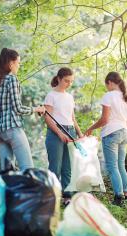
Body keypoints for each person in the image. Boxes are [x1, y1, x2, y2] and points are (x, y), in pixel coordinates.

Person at [0, 48, 45, 171]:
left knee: (7, 172)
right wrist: (36, 109)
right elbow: (18, 108)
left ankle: (8, 190)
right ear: (11, 64)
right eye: (18, 63)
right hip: (12, 130)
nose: (19, 66)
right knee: (28, 169)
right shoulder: (12, 79)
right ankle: (30, 190)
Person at [85, 72, 127, 206]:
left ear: (110, 82)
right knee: (120, 165)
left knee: (112, 167)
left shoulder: (108, 96)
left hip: (111, 133)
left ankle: (119, 197)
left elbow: (105, 119)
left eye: (107, 85)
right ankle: (126, 192)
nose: (107, 88)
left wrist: (91, 128)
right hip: (124, 133)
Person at [44, 67, 83, 205]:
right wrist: (59, 133)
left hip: (70, 131)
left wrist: (79, 133)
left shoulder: (69, 97)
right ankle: (51, 197)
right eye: (66, 81)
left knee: (68, 166)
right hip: (55, 133)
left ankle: (67, 197)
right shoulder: (51, 95)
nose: (69, 84)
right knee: (55, 166)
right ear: (59, 79)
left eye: (71, 81)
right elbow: (48, 118)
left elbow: (72, 117)